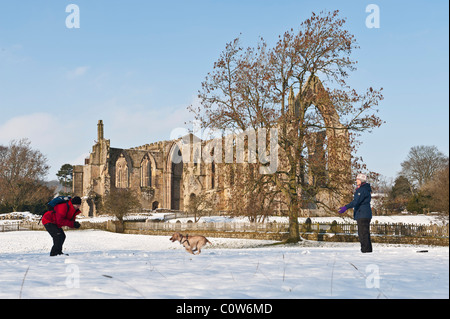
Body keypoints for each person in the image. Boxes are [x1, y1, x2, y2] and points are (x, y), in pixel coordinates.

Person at [338, 174, 373, 253]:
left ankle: (365, 250)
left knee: (363, 234)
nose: (356, 181)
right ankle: (367, 250)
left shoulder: (361, 190)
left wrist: (345, 207)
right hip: (365, 214)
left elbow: (356, 202)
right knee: (365, 233)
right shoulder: (365, 189)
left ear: (361, 180)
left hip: (362, 214)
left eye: (357, 179)